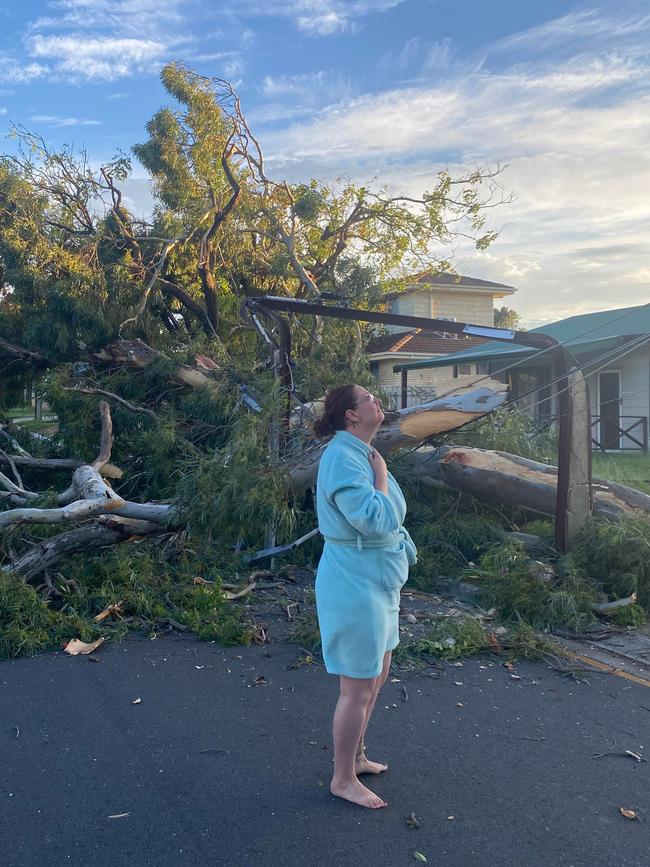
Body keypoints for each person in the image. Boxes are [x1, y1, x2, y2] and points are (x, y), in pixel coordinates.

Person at [313, 384, 417, 810]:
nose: (377, 400)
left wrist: (379, 474)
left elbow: (389, 515)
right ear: (350, 416)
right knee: (356, 685)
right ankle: (341, 778)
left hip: (378, 578)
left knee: (378, 675)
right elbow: (374, 520)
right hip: (354, 582)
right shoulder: (343, 458)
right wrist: (379, 477)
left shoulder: (362, 452)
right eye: (368, 397)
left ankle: (356, 757)